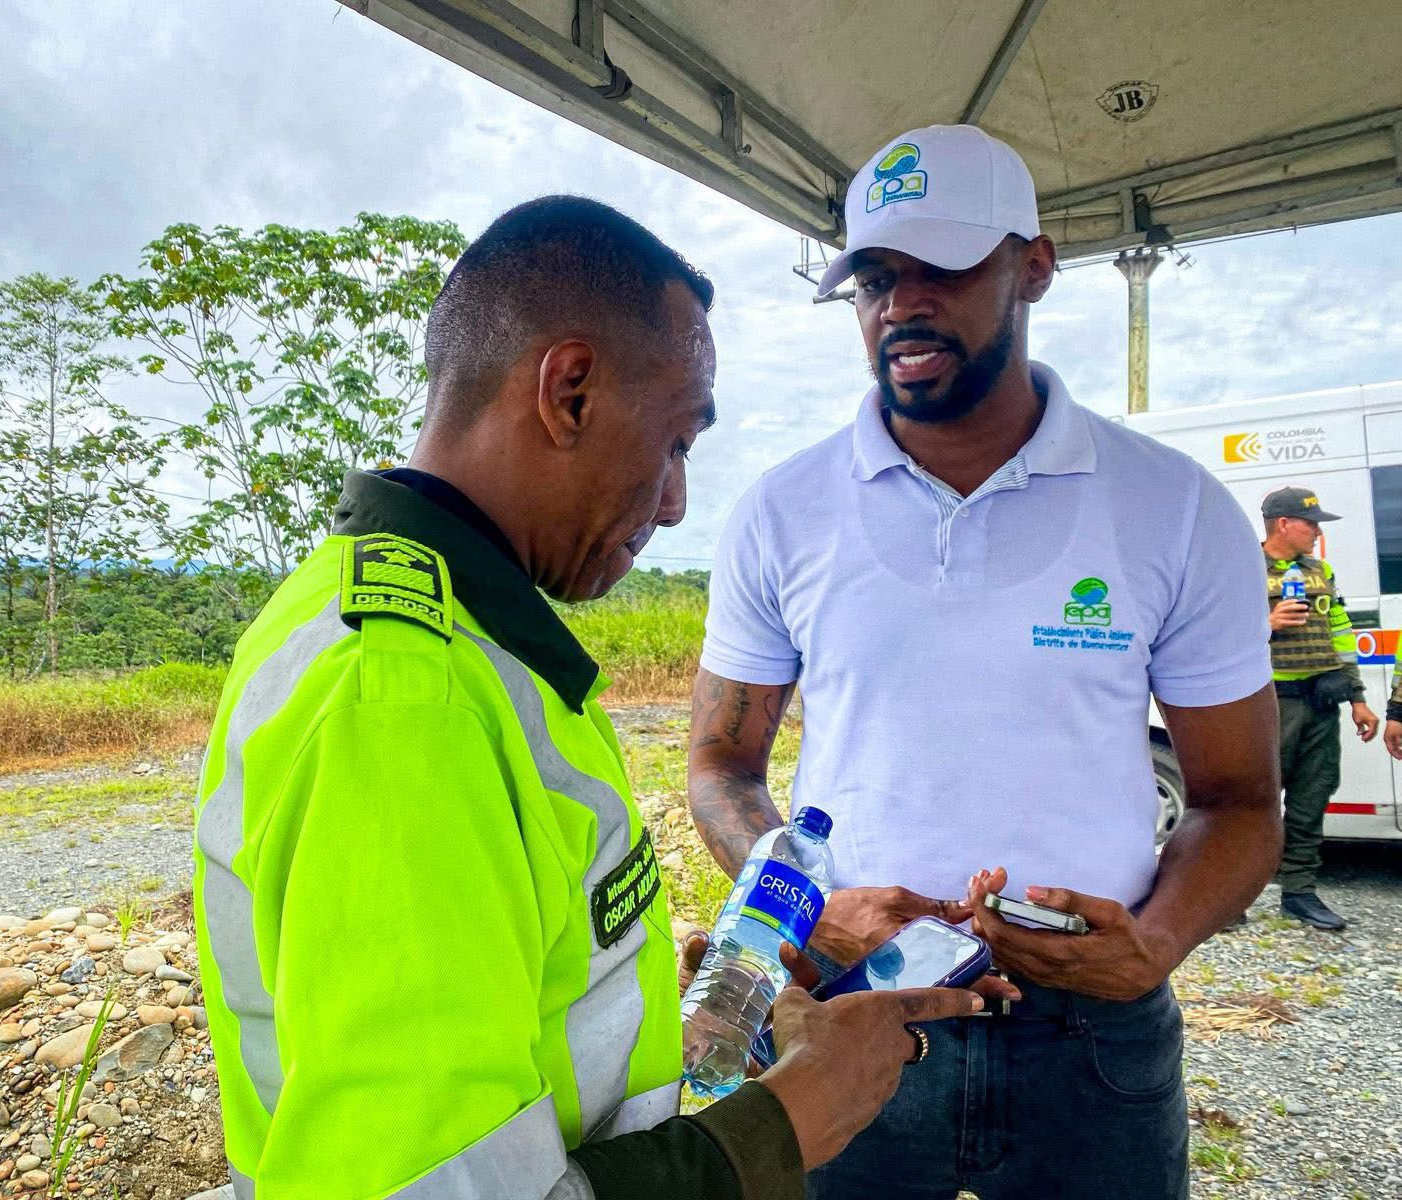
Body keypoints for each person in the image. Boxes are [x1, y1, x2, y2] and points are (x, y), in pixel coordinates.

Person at [191, 196, 980, 1200]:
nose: (676, 498)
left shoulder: (466, 641)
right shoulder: (402, 696)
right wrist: (792, 1117)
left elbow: (512, 992)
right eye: (680, 438)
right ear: (568, 393)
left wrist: (668, 1012)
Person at [687, 124, 1282, 1200]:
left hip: (1088, 1037)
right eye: (873, 277)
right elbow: (721, 766)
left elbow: (1240, 798)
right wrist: (805, 907)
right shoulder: (781, 513)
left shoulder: (1171, 506)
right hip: (853, 1009)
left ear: (1034, 268)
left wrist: (1151, 943)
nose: (900, 305)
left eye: (941, 268)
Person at [1260, 487, 1381, 929]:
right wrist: (1265, 623)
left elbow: (1341, 635)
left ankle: (1299, 893)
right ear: (1283, 524)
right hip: (1271, 705)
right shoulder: (1244, 569)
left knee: (1312, 799)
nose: (1316, 532)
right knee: (1255, 803)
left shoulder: (1320, 571)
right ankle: (1231, 899)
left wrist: (1359, 700)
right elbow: (1216, 635)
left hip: (1321, 701)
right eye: (1310, 523)